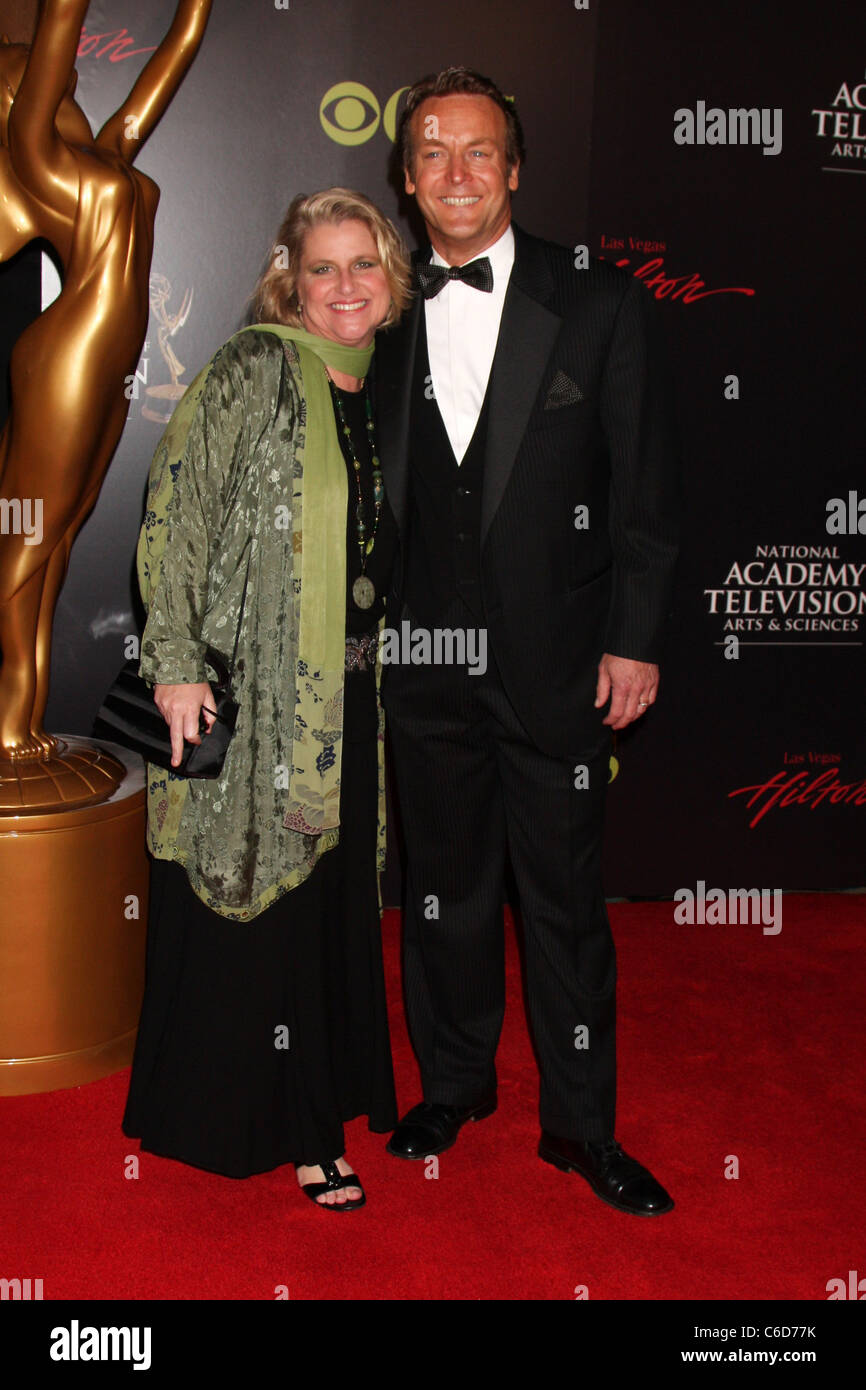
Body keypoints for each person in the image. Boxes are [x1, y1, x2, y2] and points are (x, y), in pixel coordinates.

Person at [377, 69, 680, 1215]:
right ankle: (453, 1085)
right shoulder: (381, 302)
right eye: (433, 154)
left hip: (557, 662)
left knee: (561, 903)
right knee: (443, 891)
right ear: (405, 178)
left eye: (479, 152)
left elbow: (646, 491)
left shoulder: (599, 302)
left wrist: (635, 640)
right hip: (423, 663)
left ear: (514, 168)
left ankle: (582, 1127)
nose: (456, 174)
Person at [122, 189, 411, 1210]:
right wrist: (175, 661)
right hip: (245, 690)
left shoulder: (385, 384)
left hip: (351, 698)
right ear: (288, 280)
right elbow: (179, 506)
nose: (343, 286)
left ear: (390, 277)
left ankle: (317, 1105)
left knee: (329, 909)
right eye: (321, 268)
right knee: (254, 891)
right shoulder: (254, 366)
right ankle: (281, 1125)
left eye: (362, 265)